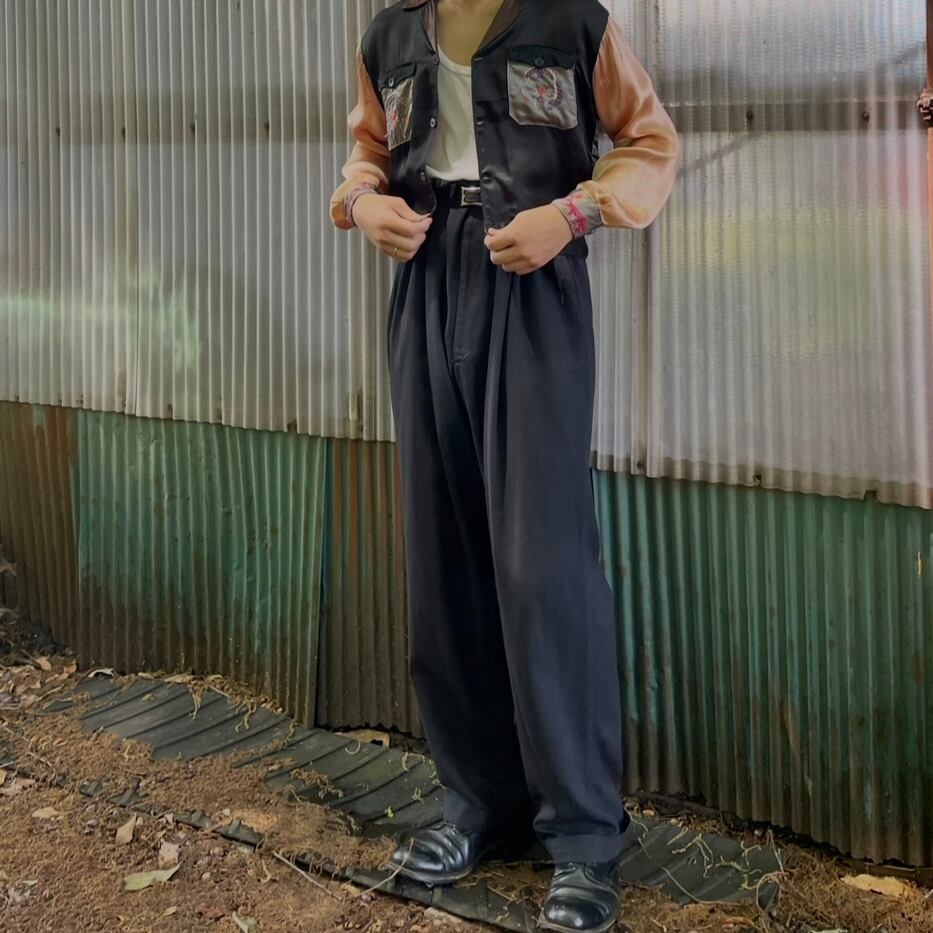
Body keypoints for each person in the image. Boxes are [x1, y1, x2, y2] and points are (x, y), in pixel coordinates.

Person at [330, 1, 680, 929]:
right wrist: (362, 202)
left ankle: (583, 835)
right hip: (426, 283)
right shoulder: (388, 36)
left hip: (532, 282)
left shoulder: (571, 23)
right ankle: (480, 806)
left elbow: (648, 142)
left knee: (543, 565)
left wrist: (572, 213)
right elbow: (367, 150)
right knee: (441, 556)